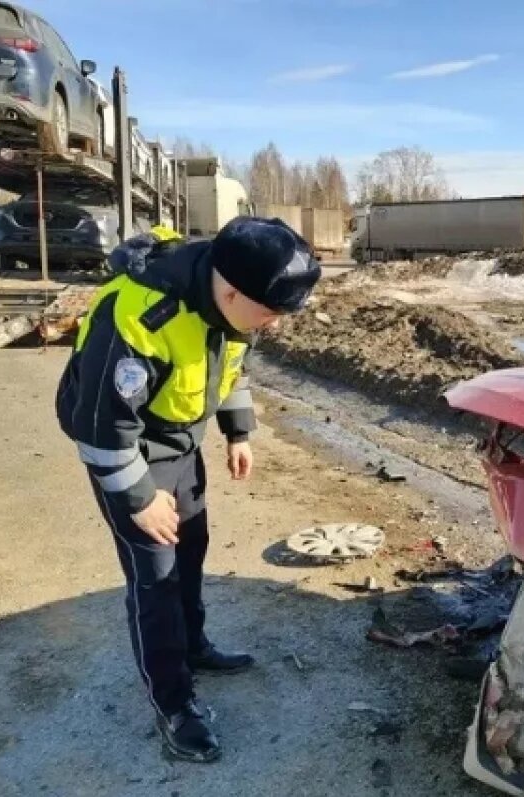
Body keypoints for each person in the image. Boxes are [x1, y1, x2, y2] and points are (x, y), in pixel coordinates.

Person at [55, 217, 321, 763]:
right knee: (155, 578)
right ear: (230, 291)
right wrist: (139, 498)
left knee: (191, 551)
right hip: (127, 454)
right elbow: (102, 430)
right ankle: (174, 706)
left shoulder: (228, 300)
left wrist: (238, 431)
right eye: (269, 313)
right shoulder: (138, 315)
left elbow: (228, 363)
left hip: (178, 442)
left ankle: (193, 647)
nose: (271, 325)